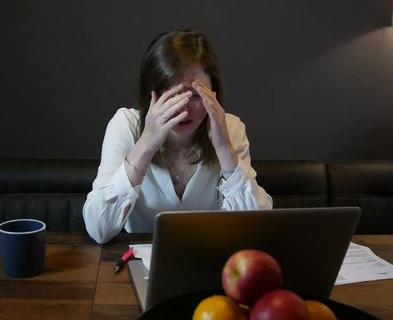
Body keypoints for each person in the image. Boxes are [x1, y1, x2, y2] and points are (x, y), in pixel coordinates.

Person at [83, 29, 273, 244]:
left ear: (214, 94)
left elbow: (256, 228)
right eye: (170, 95)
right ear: (150, 94)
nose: (183, 108)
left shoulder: (230, 128)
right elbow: (99, 228)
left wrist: (224, 150)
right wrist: (146, 144)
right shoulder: (125, 125)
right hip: (137, 265)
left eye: (195, 94)